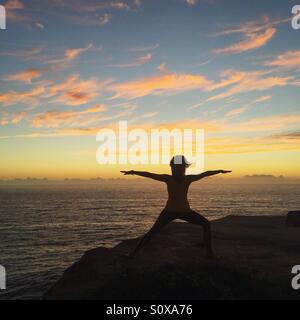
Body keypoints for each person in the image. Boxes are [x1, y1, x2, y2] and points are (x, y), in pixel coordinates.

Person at [121, 155, 231, 258]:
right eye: (175, 167)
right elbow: (149, 174)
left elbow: (205, 173)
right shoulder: (170, 179)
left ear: (182, 168)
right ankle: (132, 254)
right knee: (152, 232)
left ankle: (209, 253)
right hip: (171, 212)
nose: (176, 170)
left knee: (206, 224)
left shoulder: (185, 179)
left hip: (183, 211)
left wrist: (219, 171)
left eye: (179, 167)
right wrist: (134, 172)